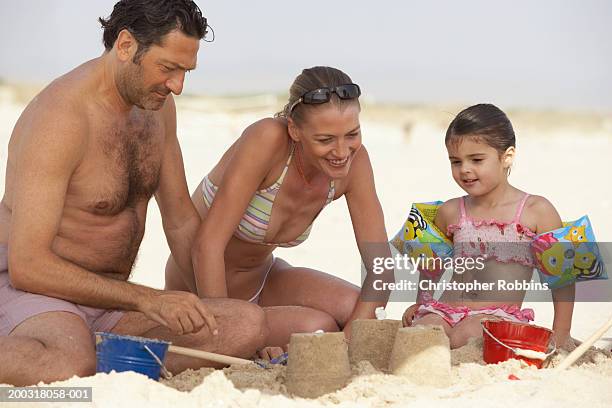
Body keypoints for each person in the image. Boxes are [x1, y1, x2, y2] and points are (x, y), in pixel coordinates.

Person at [0, 0, 266, 386]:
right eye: (168, 68)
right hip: (38, 292)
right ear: (125, 46)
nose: (177, 86)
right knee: (66, 366)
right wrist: (148, 299)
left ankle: (90, 351)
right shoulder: (60, 119)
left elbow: (179, 221)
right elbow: (28, 265)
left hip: (114, 301)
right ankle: (68, 348)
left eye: (185, 71)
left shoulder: (158, 108)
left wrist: (214, 310)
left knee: (246, 324)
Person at [165, 66, 393, 356]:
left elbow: (382, 269)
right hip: (201, 291)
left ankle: (278, 342)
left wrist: (342, 347)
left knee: (354, 311)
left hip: (263, 280)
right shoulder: (267, 140)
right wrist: (230, 332)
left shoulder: (355, 163)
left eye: (352, 134)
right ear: (294, 130)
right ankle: (263, 340)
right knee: (318, 327)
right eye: (325, 140)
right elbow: (205, 246)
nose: (341, 151)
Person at [401, 103, 574, 348]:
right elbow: (430, 269)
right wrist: (422, 303)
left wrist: (562, 333)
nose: (465, 170)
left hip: (496, 316)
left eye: (477, 159)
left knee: (468, 335)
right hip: (445, 309)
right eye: (455, 161)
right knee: (423, 333)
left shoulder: (536, 211)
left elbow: (563, 280)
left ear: (507, 156)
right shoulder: (450, 211)